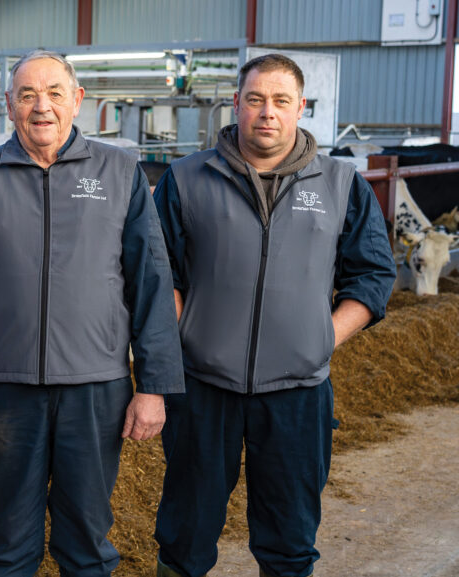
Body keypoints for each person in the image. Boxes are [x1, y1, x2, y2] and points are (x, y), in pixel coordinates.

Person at [0, 49, 185, 577]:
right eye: (27, 95)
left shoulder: (120, 172)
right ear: (10, 106)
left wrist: (153, 386)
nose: (42, 106)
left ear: (77, 100)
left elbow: (152, 282)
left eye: (55, 93)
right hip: (2, 391)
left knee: (87, 541)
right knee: (4, 543)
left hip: (96, 387)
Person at [152, 53, 396, 577]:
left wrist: (321, 338)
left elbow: (373, 276)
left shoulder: (340, 184)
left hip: (299, 393)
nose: (268, 112)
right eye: (256, 99)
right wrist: (185, 334)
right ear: (236, 104)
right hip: (203, 389)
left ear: (300, 108)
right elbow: (160, 271)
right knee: (185, 534)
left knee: (289, 539)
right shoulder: (186, 179)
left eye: (281, 101)